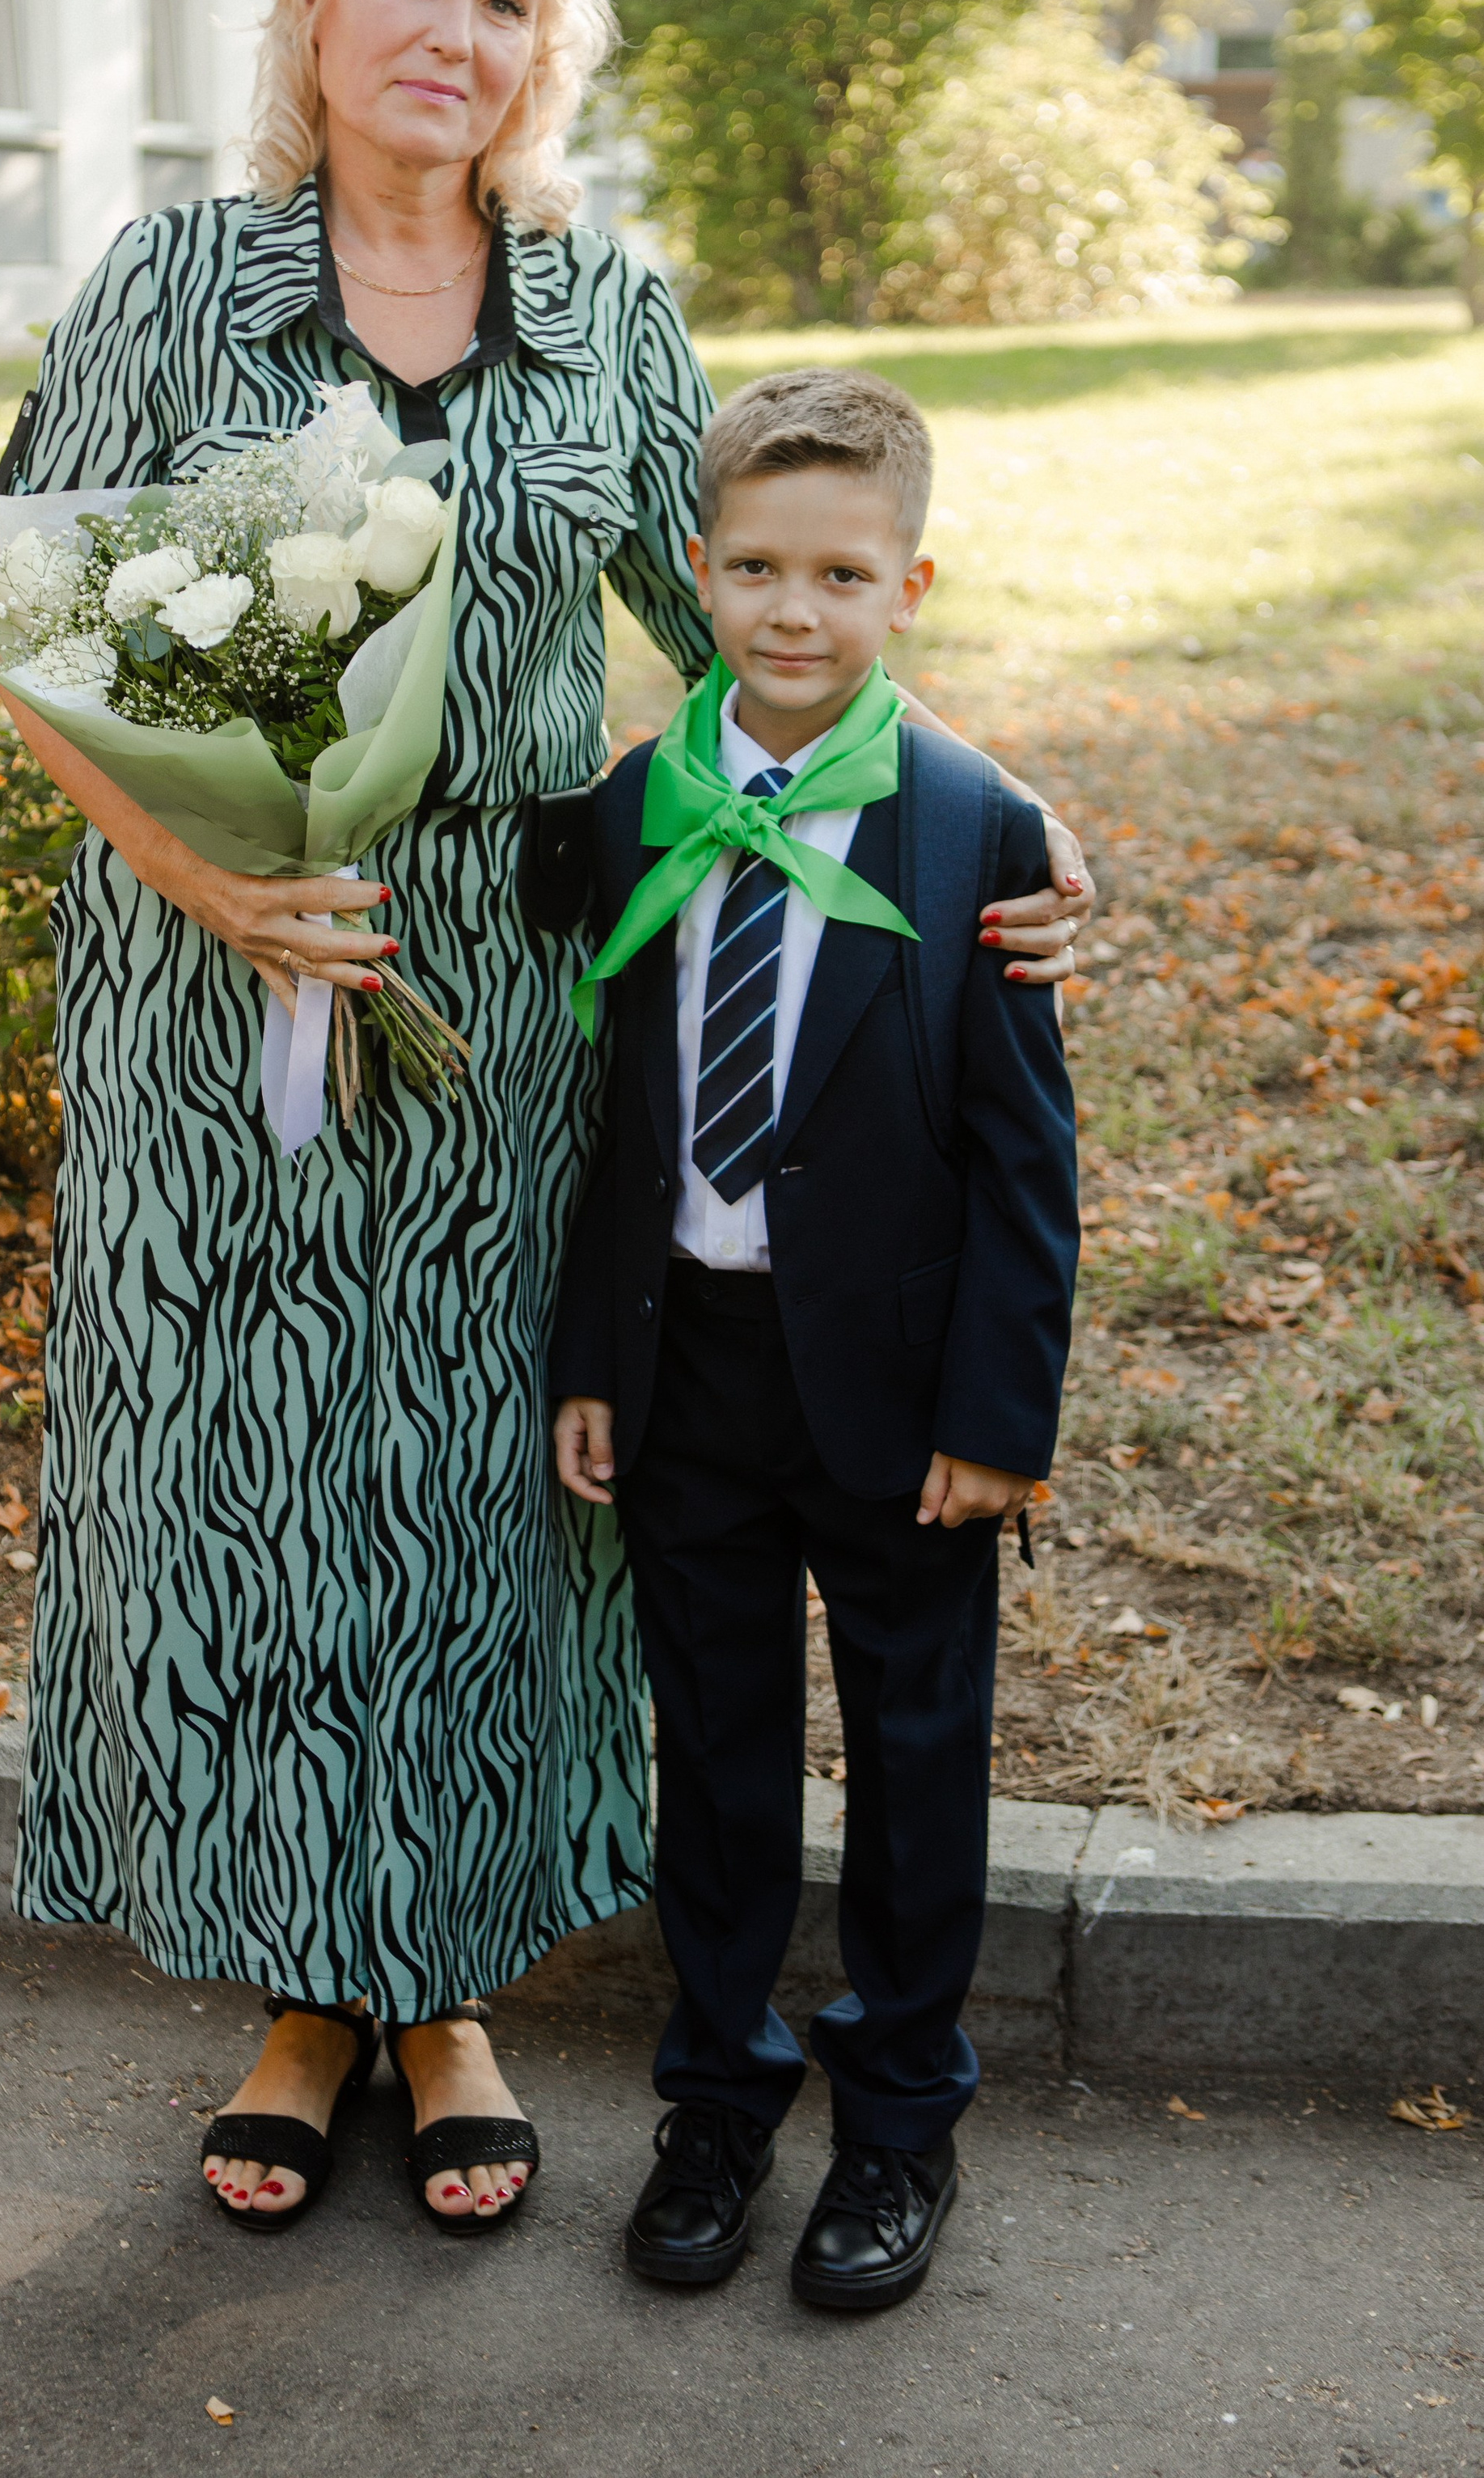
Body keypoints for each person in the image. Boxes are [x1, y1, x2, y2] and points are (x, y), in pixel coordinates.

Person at [0, 0, 1092, 2241]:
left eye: (503, 5)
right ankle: (304, 1997)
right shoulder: (171, 285)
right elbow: (40, 635)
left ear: (539, 57)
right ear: (314, 9)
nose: (451, 37)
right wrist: (214, 881)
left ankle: (453, 1984)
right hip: (218, 986)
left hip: (512, 982)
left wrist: (989, 826)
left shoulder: (606, 313)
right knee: (255, 1484)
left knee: (488, 1487)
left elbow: (758, 655)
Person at [551, 368, 1080, 2311]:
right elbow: (603, 1111)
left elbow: (1027, 1164)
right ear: (693, 574)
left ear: (908, 586)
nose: (791, 608)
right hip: (686, 1359)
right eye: (754, 566)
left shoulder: (971, 831)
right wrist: (588, 1359)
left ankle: (900, 2120)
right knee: (718, 1759)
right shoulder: (630, 809)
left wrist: (999, 1415)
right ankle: (714, 2100)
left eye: (837, 573)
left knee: (915, 1756)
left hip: (905, 1398)